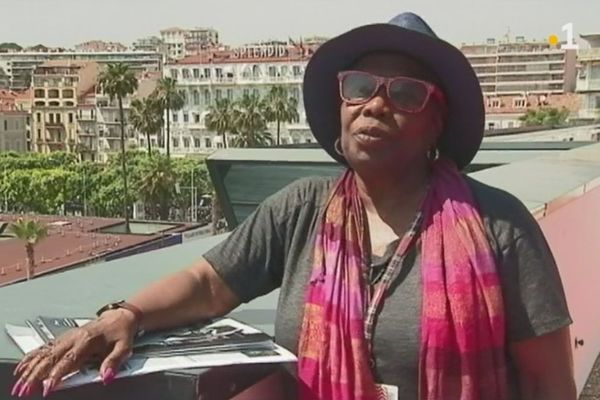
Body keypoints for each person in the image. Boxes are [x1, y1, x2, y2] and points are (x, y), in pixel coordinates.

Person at [11, 12, 575, 400]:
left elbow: (547, 383)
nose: (375, 105)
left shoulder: (498, 226)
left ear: (437, 122)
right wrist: (127, 315)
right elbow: (209, 284)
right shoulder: (303, 209)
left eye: (405, 94)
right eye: (360, 87)